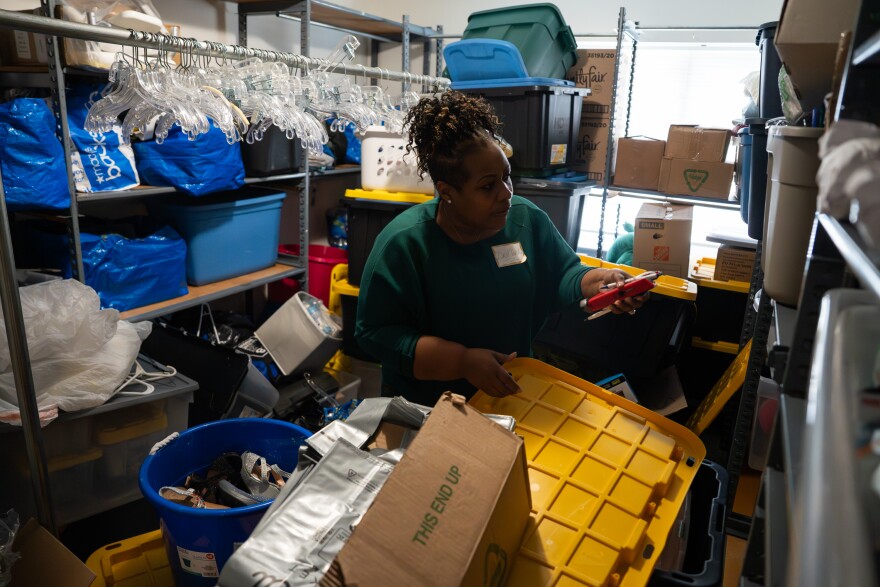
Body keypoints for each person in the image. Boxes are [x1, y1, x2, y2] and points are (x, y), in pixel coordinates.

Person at [355, 91, 647, 406]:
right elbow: (376, 334)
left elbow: (563, 274)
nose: (505, 193)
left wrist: (600, 282)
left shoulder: (525, 219)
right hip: (426, 408)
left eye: (507, 178)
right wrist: (462, 362)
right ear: (447, 192)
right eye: (487, 185)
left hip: (509, 395)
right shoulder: (405, 244)